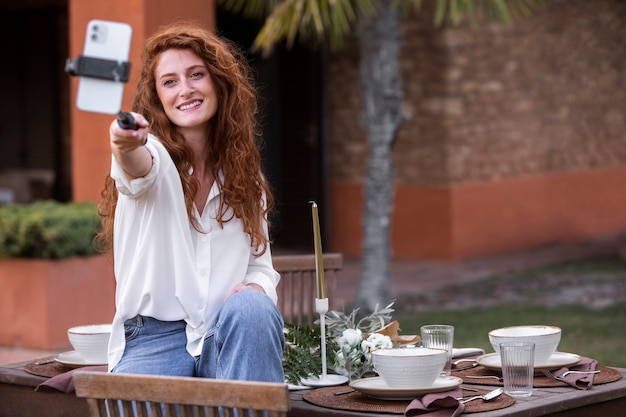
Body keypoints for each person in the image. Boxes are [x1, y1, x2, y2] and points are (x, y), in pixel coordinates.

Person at [95, 22, 285, 382]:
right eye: (170, 81)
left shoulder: (246, 178)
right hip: (152, 340)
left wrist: (255, 291)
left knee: (252, 308)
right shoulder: (152, 156)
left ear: (217, 82)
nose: (185, 90)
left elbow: (260, 266)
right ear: (157, 98)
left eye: (196, 75)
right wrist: (123, 143)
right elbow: (136, 168)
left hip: (222, 336)